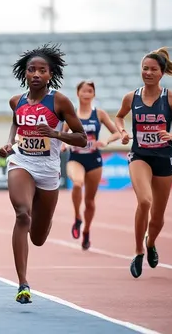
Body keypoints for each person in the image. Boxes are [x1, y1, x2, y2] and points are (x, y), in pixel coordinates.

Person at [0, 44, 87, 304]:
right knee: (22, 214)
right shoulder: (17, 101)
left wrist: (57, 133)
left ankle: (40, 225)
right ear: (25, 73)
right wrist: (9, 143)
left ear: (50, 74)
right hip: (21, 162)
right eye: (31, 70)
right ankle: (23, 283)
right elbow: (16, 122)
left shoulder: (59, 101)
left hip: (48, 170)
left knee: (37, 237)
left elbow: (82, 139)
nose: (36, 74)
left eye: (42, 70)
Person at [114, 47, 172, 279]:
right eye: (144, 68)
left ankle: (151, 242)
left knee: (157, 216)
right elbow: (118, 116)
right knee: (144, 201)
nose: (147, 72)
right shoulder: (131, 97)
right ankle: (137, 253)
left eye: (153, 69)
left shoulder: (171, 98)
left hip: (164, 158)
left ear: (161, 73)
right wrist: (123, 131)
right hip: (140, 156)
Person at [61, 81, 121, 250]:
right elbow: (61, 135)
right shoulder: (71, 114)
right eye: (83, 91)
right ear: (78, 93)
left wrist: (106, 141)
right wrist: (64, 144)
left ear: (93, 94)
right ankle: (77, 217)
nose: (87, 94)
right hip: (75, 158)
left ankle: (86, 231)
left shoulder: (99, 113)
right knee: (77, 183)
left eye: (90, 91)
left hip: (94, 160)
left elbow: (116, 132)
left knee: (90, 201)